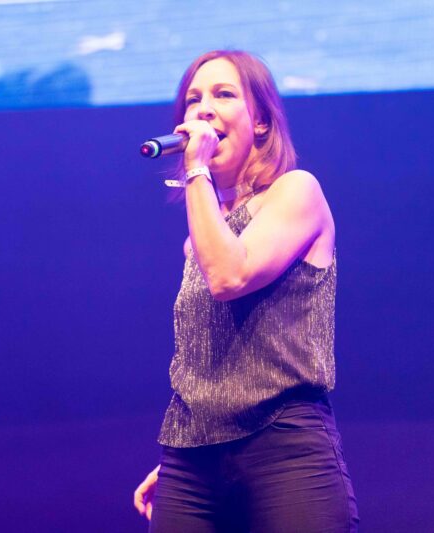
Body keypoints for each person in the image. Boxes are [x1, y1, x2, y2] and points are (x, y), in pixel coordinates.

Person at [133, 50, 359, 532]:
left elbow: (229, 278)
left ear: (260, 122)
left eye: (223, 94)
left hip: (283, 451)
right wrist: (191, 453)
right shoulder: (201, 239)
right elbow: (208, 357)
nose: (204, 109)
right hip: (193, 463)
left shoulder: (297, 192)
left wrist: (196, 171)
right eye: (193, 100)